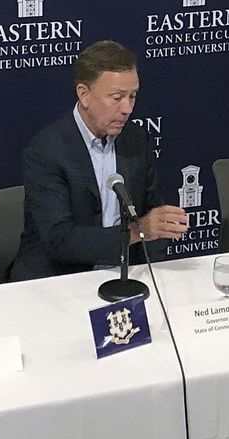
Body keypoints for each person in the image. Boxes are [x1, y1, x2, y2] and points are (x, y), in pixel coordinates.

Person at [10, 40, 188, 281]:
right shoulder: (46, 151)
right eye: (117, 97)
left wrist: (149, 271)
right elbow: (60, 240)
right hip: (59, 280)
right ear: (84, 94)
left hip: (126, 273)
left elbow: (151, 210)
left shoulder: (135, 140)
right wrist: (137, 231)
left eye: (132, 96)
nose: (127, 108)